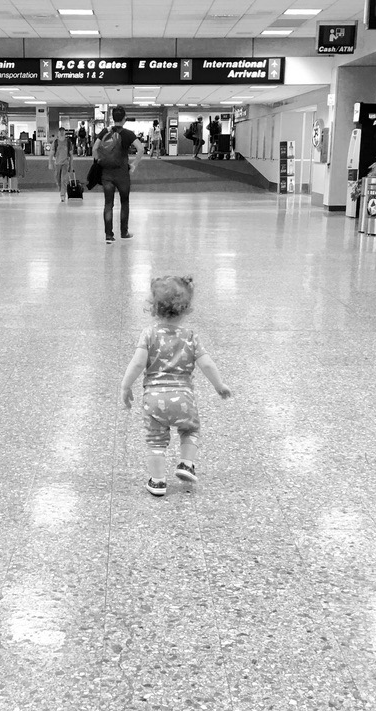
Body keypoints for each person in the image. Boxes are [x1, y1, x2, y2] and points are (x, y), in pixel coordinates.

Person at [120, 275, 232, 497]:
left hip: (153, 399)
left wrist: (126, 385)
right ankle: (186, 463)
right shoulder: (190, 336)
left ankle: (158, 481)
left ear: (153, 308)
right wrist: (219, 385)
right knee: (190, 429)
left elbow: (138, 363)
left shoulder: (149, 334)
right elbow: (206, 364)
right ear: (187, 309)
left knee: (155, 440)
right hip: (184, 399)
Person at [92, 105, 143, 244]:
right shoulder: (128, 134)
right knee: (124, 202)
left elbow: (95, 148)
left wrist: (99, 161)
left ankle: (109, 235)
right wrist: (134, 165)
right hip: (122, 175)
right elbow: (141, 149)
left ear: (112, 118)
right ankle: (124, 232)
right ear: (124, 118)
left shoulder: (105, 132)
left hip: (107, 174)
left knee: (108, 204)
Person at [48, 126, 74, 202]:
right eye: (60, 131)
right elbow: (51, 153)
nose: (62, 133)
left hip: (65, 163)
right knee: (57, 178)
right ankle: (61, 189)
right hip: (57, 163)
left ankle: (62, 195)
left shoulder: (68, 142)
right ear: (58, 133)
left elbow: (71, 155)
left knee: (64, 180)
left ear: (65, 132)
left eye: (63, 131)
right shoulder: (55, 142)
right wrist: (50, 163)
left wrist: (71, 165)